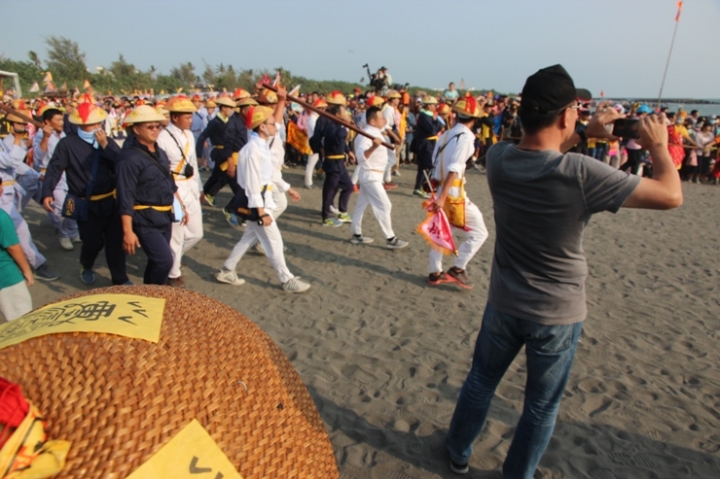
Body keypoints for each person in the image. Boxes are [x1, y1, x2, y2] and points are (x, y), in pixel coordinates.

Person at [444, 64, 682, 477]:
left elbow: (542, 149)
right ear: (566, 115)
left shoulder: (500, 158)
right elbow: (671, 195)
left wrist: (584, 132)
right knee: (540, 405)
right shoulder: (581, 174)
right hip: (557, 312)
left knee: (480, 382)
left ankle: (457, 452)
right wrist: (658, 145)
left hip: (504, 301)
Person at [214, 105, 311, 293]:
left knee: (248, 238)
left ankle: (227, 269)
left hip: (263, 200)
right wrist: (260, 212)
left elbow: (269, 174)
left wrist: (287, 188)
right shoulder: (252, 150)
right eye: (271, 123)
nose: (276, 126)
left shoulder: (261, 146)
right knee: (275, 242)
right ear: (261, 127)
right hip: (257, 203)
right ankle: (286, 279)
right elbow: (252, 184)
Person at [41, 97, 129, 286]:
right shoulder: (67, 144)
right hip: (86, 203)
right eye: (91, 124)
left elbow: (121, 164)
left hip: (111, 201)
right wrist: (47, 191)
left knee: (115, 242)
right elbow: (55, 168)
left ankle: (120, 279)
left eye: (98, 122)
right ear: (81, 125)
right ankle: (86, 265)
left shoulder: (108, 140)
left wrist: (106, 146)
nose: (96, 127)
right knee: (93, 242)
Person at [117, 105, 186, 285]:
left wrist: (180, 205)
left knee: (158, 261)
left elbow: (169, 182)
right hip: (144, 217)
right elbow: (125, 195)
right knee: (165, 261)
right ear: (136, 129)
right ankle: (154, 293)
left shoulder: (160, 152)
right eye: (150, 127)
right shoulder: (129, 159)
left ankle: (152, 292)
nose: (155, 130)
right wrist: (127, 231)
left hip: (165, 215)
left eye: (158, 126)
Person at [427, 96, 489, 289]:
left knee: (443, 230)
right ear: (474, 119)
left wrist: (438, 192)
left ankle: (434, 271)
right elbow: (454, 168)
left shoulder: (445, 135)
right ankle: (458, 267)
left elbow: (436, 162)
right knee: (480, 232)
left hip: (439, 188)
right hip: (452, 192)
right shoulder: (466, 137)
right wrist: (444, 195)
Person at [0, 120, 58, 282]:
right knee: (19, 230)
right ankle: (37, 265)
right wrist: (19, 139)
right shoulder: (8, 141)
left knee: (16, 230)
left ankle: (31, 264)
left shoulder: (3, 142)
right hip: (3, 196)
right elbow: (11, 161)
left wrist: (36, 175)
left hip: (7, 193)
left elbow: (15, 165)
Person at [157, 96, 204, 288]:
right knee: (176, 234)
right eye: (187, 117)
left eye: (191, 116)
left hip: (190, 185)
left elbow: (192, 163)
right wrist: (171, 192)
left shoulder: (189, 135)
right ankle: (172, 272)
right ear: (174, 117)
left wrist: (200, 188)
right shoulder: (162, 137)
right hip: (173, 187)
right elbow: (162, 168)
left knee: (196, 233)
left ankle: (171, 259)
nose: (190, 120)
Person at [349, 106, 409, 249]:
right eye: (381, 117)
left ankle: (356, 234)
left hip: (375, 174)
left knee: (361, 205)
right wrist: (373, 147)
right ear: (373, 121)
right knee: (385, 205)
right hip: (370, 175)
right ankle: (390, 238)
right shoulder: (366, 135)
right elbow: (361, 158)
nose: (385, 119)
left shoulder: (376, 132)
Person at [34, 106, 80, 251]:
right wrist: (45, 138)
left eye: (62, 119)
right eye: (58, 120)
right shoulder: (40, 136)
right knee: (64, 208)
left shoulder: (63, 135)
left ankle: (72, 233)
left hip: (66, 176)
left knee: (73, 205)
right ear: (47, 122)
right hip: (52, 178)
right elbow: (38, 157)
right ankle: (63, 234)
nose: (62, 122)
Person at [311, 91, 355, 227]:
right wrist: (321, 150)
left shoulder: (338, 122)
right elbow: (318, 138)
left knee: (346, 186)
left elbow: (341, 141)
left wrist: (348, 151)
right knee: (330, 188)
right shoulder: (325, 120)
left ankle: (338, 210)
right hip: (331, 157)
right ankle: (327, 213)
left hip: (338, 157)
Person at [0, 195, 34, 321]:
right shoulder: (1, 217)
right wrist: (26, 270)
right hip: (5, 277)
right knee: (22, 325)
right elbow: (13, 247)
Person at [412, 96, 442, 197]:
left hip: (428, 143)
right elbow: (433, 130)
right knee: (428, 166)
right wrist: (437, 122)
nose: (435, 107)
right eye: (434, 105)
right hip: (425, 144)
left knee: (423, 167)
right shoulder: (424, 116)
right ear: (429, 106)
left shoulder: (427, 115)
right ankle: (423, 187)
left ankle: (419, 188)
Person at [382, 90, 403, 189]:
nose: (398, 100)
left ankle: (387, 178)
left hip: (388, 135)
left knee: (390, 158)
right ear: (392, 99)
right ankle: (382, 178)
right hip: (386, 135)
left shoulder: (392, 109)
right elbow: (386, 126)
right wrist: (395, 137)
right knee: (391, 158)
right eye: (397, 98)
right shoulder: (388, 110)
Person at [304, 98, 327, 189]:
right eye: (322, 108)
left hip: (315, 142)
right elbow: (317, 132)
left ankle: (309, 181)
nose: (324, 110)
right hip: (313, 143)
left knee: (312, 163)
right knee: (311, 164)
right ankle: (308, 182)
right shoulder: (313, 118)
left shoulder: (315, 118)